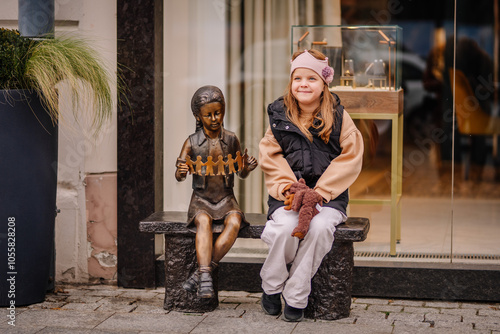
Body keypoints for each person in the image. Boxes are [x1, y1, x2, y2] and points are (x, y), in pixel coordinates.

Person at [258, 49, 364, 321]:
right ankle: (271, 285)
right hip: (289, 194)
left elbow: (351, 156)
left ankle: (295, 294)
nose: (303, 84)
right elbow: (270, 154)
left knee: (317, 228)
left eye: (312, 78)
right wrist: (287, 187)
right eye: (298, 78)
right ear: (291, 82)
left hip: (327, 197)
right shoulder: (279, 116)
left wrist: (321, 192)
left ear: (324, 83)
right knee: (283, 229)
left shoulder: (339, 116)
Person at [175, 85, 258, 298]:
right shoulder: (192, 142)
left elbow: (241, 173)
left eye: (218, 113)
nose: (214, 118)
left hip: (226, 199)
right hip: (201, 200)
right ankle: (204, 274)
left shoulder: (231, 139)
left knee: (235, 222)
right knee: (203, 221)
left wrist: (246, 167)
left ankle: (203, 273)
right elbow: (179, 174)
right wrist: (182, 171)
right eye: (208, 115)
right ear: (198, 116)